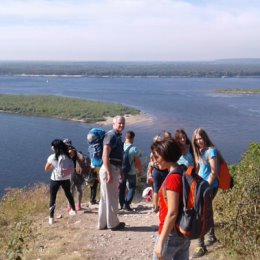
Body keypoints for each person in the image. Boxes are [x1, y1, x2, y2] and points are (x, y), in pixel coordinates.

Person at [151, 138, 190, 260]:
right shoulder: (183, 170)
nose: (154, 161)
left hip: (170, 235)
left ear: (166, 155)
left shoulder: (172, 179)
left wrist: (161, 242)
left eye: (157, 157)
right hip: (183, 232)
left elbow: (172, 212)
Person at [191, 128, 220, 258]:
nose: (199, 141)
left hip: (209, 186)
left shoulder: (211, 151)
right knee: (206, 211)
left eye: (200, 138)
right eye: (196, 140)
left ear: (205, 138)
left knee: (201, 213)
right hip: (201, 186)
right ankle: (211, 236)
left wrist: (206, 185)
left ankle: (201, 245)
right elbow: (199, 170)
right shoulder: (199, 152)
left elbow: (214, 171)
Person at [97, 115, 126, 230]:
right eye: (119, 123)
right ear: (113, 124)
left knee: (105, 198)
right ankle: (113, 224)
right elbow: (105, 155)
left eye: (123, 123)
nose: (122, 125)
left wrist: (120, 171)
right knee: (112, 198)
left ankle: (102, 224)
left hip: (112, 168)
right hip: (109, 169)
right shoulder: (111, 136)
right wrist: (109, 173)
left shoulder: (116, 136)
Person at [44, 139, 76, 225]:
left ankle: (51, 218)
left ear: (55, 148)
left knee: (53, 198)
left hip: (55, 179)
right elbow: (71, 151)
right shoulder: (69, 155)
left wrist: (53, 166)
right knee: (68, 194)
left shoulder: (52, 157)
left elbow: (46, 169)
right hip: (66, 179)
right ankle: (73, 210)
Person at [119, 130, 142, 211]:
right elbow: (138, 163)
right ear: (132, 138)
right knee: (132, 187)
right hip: (131, 171)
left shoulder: (120, 146)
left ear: (126, 137)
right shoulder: (134, 149)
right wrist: (139, 171)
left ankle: (121, 204)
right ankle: (127, 204)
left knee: (122, 187)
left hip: (121, 171)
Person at [63, 139, 85, 211]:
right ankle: (78, 205)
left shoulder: (69, 151)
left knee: (71, 190)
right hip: (78, 172)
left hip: (72, 172)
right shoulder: (76, 151)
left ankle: (70, 206)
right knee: (79, 189)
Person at [152, 134, 169, 213]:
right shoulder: (162, 150)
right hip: (164, 170)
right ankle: (162, 205)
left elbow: (152, 162)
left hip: (156, 170)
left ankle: (155, 206)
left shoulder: (153, 151)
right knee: (164, 189)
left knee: (156, 189)